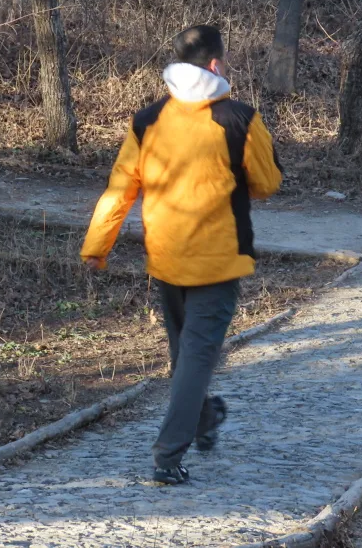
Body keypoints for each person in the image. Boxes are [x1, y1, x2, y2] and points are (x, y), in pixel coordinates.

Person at [81, 24, 283, 485]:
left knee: (186, 361)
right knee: (194, 361)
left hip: (167, 260)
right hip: (217, 262)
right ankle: (167, 457)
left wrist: (98, 246)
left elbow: (120, 188)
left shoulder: (148, 120)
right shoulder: (240, 120)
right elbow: (268, 183)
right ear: (216, 64)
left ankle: (205, 419)